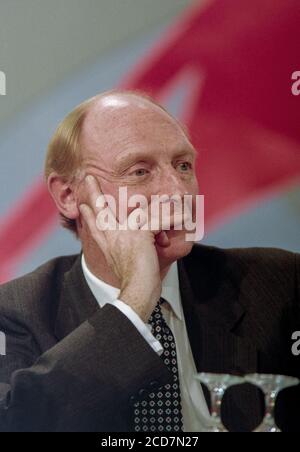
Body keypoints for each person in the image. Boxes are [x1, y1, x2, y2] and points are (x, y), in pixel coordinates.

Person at [0, 90, 299, 432]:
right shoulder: (14, 314)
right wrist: (136, 302)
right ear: (68, 195)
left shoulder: (279, 284)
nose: (178, 192)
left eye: (183, 166)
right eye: (140, 171)